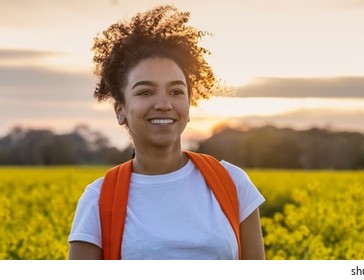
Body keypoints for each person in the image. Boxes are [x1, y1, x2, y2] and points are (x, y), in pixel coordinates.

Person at [67, 5, 265, 260]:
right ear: (120, 111)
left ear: (189, 105)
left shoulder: (232, 183)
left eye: (176, 91)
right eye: (145, 92)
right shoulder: (98, 200)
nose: (164, 104)